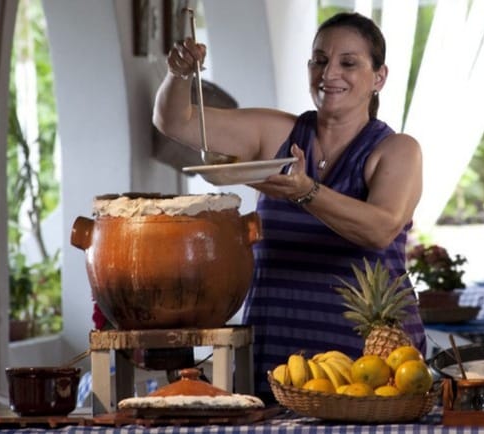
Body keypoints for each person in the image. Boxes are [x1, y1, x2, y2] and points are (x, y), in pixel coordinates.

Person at [153, 12, 425, 399]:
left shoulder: (397, 150)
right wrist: (179, 75)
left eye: (348, 63)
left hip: (370, 362)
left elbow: (379, 229)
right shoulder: (278, 133)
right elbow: (175, 121)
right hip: (278, 350)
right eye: (319, 60)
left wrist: (305, 191)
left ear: (379, 77)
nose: (329, 73)